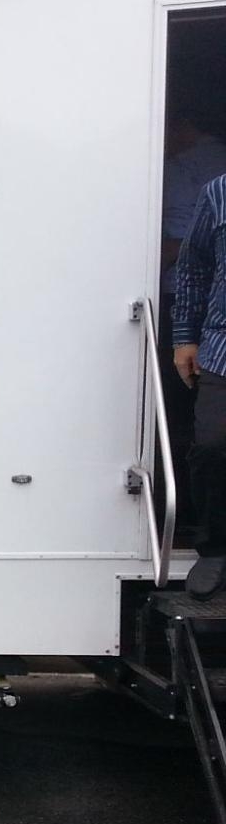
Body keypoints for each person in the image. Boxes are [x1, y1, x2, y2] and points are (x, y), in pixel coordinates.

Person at [174, 170, 226, 596]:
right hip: (221, 348)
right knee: (210, 446)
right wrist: (185, 337)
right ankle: (214, 549)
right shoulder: (219, 191)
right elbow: (192, 267)